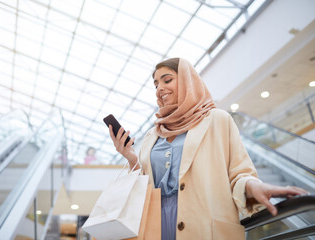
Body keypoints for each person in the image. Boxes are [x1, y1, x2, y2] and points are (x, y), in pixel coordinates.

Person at [108, 58, 307, 240]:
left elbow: (239, 172)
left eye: (167, 80)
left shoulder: (217, 120)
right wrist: (131, 158)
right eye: (156, 84)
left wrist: (254, 186)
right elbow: (144, 186)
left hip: (203, 226)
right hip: (154, 228)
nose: (160, 88)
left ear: (188, 80)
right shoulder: (152, 135)